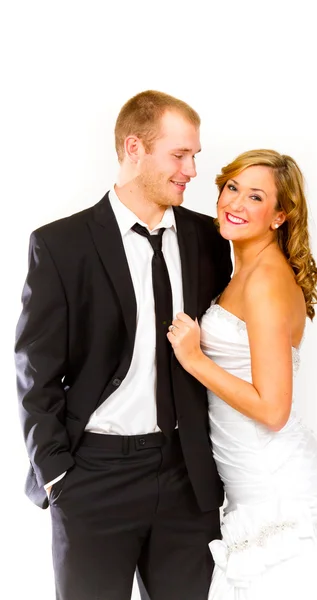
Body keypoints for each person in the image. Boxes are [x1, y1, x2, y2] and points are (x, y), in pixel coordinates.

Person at [15, 90, 232, 600]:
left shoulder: (209, 239)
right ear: (134, 148)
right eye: (180, 155)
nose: (193, 170)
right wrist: (56, 474)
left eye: (195, 155)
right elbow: (36, 370)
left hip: (187, 478)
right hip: (94, 477)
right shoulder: (61, 245)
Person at [167, 149, 317, 598]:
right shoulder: (244, 270)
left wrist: (195, 360)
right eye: (231, 187)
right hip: (249, 483)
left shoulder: (267, 280)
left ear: (279, 216)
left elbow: (273, 409)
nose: (234, 203)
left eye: (255, 197)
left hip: (273, 483)